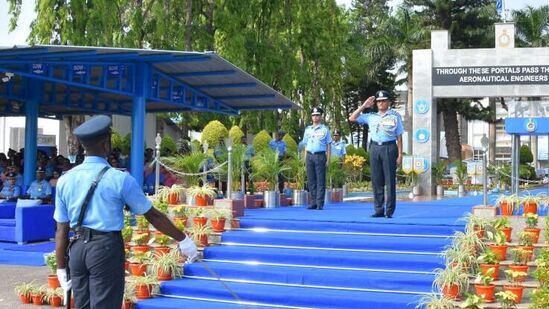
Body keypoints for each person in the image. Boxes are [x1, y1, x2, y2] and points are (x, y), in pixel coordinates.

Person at [53, 115, 197, 309]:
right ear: (106, 144)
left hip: (77, 250)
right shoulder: (119, 179)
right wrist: (183, 239)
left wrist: (61, 267)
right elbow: (152, 215)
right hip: (104, 248)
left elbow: (61, 229)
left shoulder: (65, 179)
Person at [349, 90, 403, 218]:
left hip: (389, 147)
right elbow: (352, 118)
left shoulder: (395, 117)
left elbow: (399, 137)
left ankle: (389, 211)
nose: (381, 103)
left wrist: (400, 155)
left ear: (389, 102)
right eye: (378, 101)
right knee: (376, 180)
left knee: (390, 180)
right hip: (374, 148)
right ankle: (379, 209)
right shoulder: (371, 116)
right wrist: (363, 106)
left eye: (383, 101)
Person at [301, 107, 332, 210]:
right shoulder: (307, 129)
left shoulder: (325, 129)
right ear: (311, 117)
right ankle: (313, 202)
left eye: (317, 115)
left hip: (320, 155)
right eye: (313, 115)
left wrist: (328, 159)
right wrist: (305, 158)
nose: (315, 117)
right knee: (311, 180)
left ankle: (320, 203)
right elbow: (305, 145)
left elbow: (328, 145)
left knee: (320, 180)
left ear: (321, 116)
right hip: (309, 155)